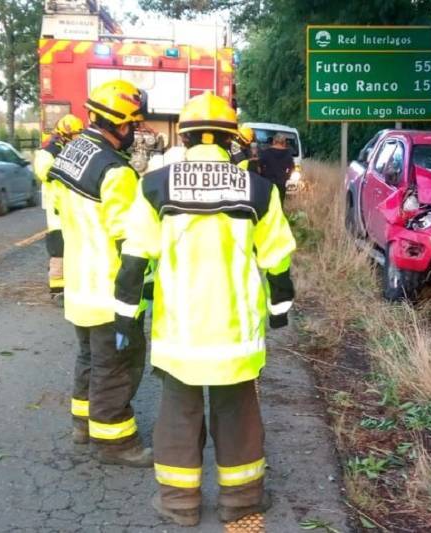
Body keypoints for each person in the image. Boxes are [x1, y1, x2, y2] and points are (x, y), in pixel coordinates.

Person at [111, 92, 296, 526]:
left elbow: (135, 259)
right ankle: (241, 501)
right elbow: (277, 258)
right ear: (232, 139)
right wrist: (280, 309)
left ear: (187, 136)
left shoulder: (154, 186)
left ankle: (179, 505)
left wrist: (126, 316)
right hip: (236, 337)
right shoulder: (258, 189)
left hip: (180, 334)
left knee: (178, 415)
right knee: (238, 416)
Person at [47, 80, 152, 467]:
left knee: (89, 357)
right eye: (133, 126)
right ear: (120, 125)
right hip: (108, 289)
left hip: (78, 284)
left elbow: (58, 214)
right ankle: (115, 442)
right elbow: (130, 240)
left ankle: (82, 423)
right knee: (118, 365)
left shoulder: (68, 154)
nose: (134, 134)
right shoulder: (116, 172)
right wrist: (141, 290)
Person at [34, 114, 83, 303]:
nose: (78, 138)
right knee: (58, 249)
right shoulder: (49, 150)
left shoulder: (65, 148)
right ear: (66, 133)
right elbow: (44, 173)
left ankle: (69, 286)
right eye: (76, 134)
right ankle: (57, 290)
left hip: (67, 204)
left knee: (71, 246)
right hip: (56, 208)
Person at [257, 132, 294, 203]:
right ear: (284, 143)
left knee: (268, 203)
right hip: (281, 184)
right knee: (279, 204)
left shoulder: (266, 152)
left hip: (267, 184)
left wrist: (262, 175)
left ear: (274, 141)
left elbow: (259, 167)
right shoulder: (288, 154)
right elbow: (291, 168)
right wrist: (286, 177)